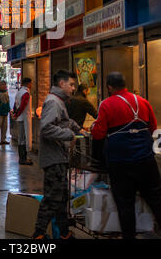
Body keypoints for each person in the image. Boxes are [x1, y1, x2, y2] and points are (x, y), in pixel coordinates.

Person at [91, 71, 161, 240]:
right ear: (125, 84)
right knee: (156, 199)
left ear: (109, 87)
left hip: (120, 163)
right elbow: (153, 128)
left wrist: (94, 127)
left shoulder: (107, 105)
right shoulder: (143, 101)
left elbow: (98, 134)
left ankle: (129, 237)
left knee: (125, 205)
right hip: (146, 160)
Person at [32, 70, 84, 240]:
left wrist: (76, 127)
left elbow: (62, 121)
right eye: (71, 84)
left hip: (59, 157)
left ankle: (64, 233)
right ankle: (39, 234)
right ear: (61, 84)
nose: (73, 88)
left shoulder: (59, 101)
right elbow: (46, 128)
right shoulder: (54, 102)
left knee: (61, 197)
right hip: (53, 158)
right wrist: (69, 135)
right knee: (52, 198)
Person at [11, 77, 33, 166]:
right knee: (23, 138)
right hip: (24, 118)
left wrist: (15, 113)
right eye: (31, 83)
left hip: (20, 118)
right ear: (28, 83)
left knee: (21, 138)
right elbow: (23, 106)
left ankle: (23, 157)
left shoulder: (19, 92)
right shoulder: (26, 93)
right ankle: (23, 158)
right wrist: (17, 114)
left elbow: (15, 105)